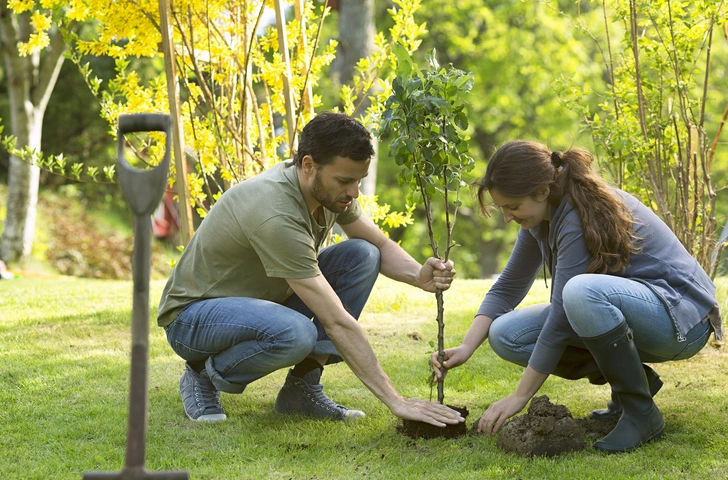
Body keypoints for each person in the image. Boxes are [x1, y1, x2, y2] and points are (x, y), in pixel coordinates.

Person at [158, 112, 464, 429]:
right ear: (308, 165)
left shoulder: (329, 194)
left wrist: (418, 275)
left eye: (358, 180)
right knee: (296, 334)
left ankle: (302, 389)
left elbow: (381, 246)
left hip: (261, 307)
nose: (354, 192)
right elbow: (336, 321)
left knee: (362, 254)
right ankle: (201, 372)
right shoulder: (275, 212)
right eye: (345, 181)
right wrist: (395, 401)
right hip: (193, 319)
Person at [431, 140, 722, 453]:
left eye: (512, 207)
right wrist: (468, 346)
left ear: (542, 191)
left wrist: (520, 396)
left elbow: (560, 318)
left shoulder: (577, 215)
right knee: (505, 334)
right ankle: (635, 385)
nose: (506, 217)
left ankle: (641, 414)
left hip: (681, 319)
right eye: (502, 207)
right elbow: (508, 286)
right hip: (640, 311)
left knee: (580, 293)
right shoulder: (541, 218)